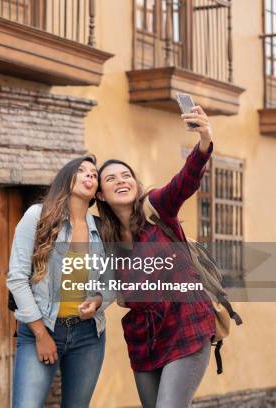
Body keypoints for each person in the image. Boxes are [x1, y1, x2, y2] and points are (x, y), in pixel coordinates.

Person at [95, 105, 216, 408]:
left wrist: (204, 138)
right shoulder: (106, 239)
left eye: (126, 175)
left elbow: (185, 180)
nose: (121, 181)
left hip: (185, 326)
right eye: (111, 179)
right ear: (100, 195)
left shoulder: (156, 208)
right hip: (143, 340)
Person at [7, 154, 114, 408]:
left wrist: (99, 300)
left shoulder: (102, 229)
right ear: (66, 179)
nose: (90, 174)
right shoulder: (37, 216)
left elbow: (111, 281)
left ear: (97, 191)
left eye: (94, 174)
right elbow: (17, 279)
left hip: (89, 335)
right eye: (82, 170)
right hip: (40, 329)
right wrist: (41, 334)